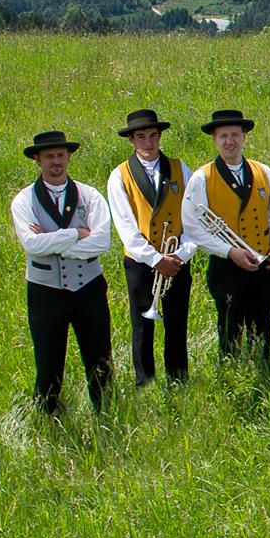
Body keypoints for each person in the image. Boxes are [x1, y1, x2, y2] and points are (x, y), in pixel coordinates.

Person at [13, 129, 114, 414]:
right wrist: (76, 234)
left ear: (69, 156)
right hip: (45, 292)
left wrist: (54, 240)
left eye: (60, 155)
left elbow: (102, 241)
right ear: (37, 160)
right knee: (48, 361)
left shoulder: (89, 195)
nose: (56, 161)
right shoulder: (24, 200)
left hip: (89, 288)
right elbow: (31, 244)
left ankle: (105, 412)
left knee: (99, 358)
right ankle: (49, 419)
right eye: (49, 156)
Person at [182, 107, 270, 364]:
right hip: (227, 265)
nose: (230, 141)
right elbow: (194, 227)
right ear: (214, 139)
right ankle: (231, 376)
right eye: (224, 136)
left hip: (262, 263)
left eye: (235, 135)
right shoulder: (201, 178)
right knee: (231, 328)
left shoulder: (263, 171)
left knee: (262, 326)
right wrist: (230, 252)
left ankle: (262, 371)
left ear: (244, 137)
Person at [105, 107, 196, 388]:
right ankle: (144, 382)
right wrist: (155, 259)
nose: (148, 142)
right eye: (141, 137)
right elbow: (125, 227)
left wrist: (180, 255)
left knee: (177, 322)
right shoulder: (119, 175)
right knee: (142, 324)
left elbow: (195, 218)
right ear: (131, 140)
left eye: (153, 136)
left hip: (177, 258)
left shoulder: (181, 168)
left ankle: (178, 379)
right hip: (142, 262)